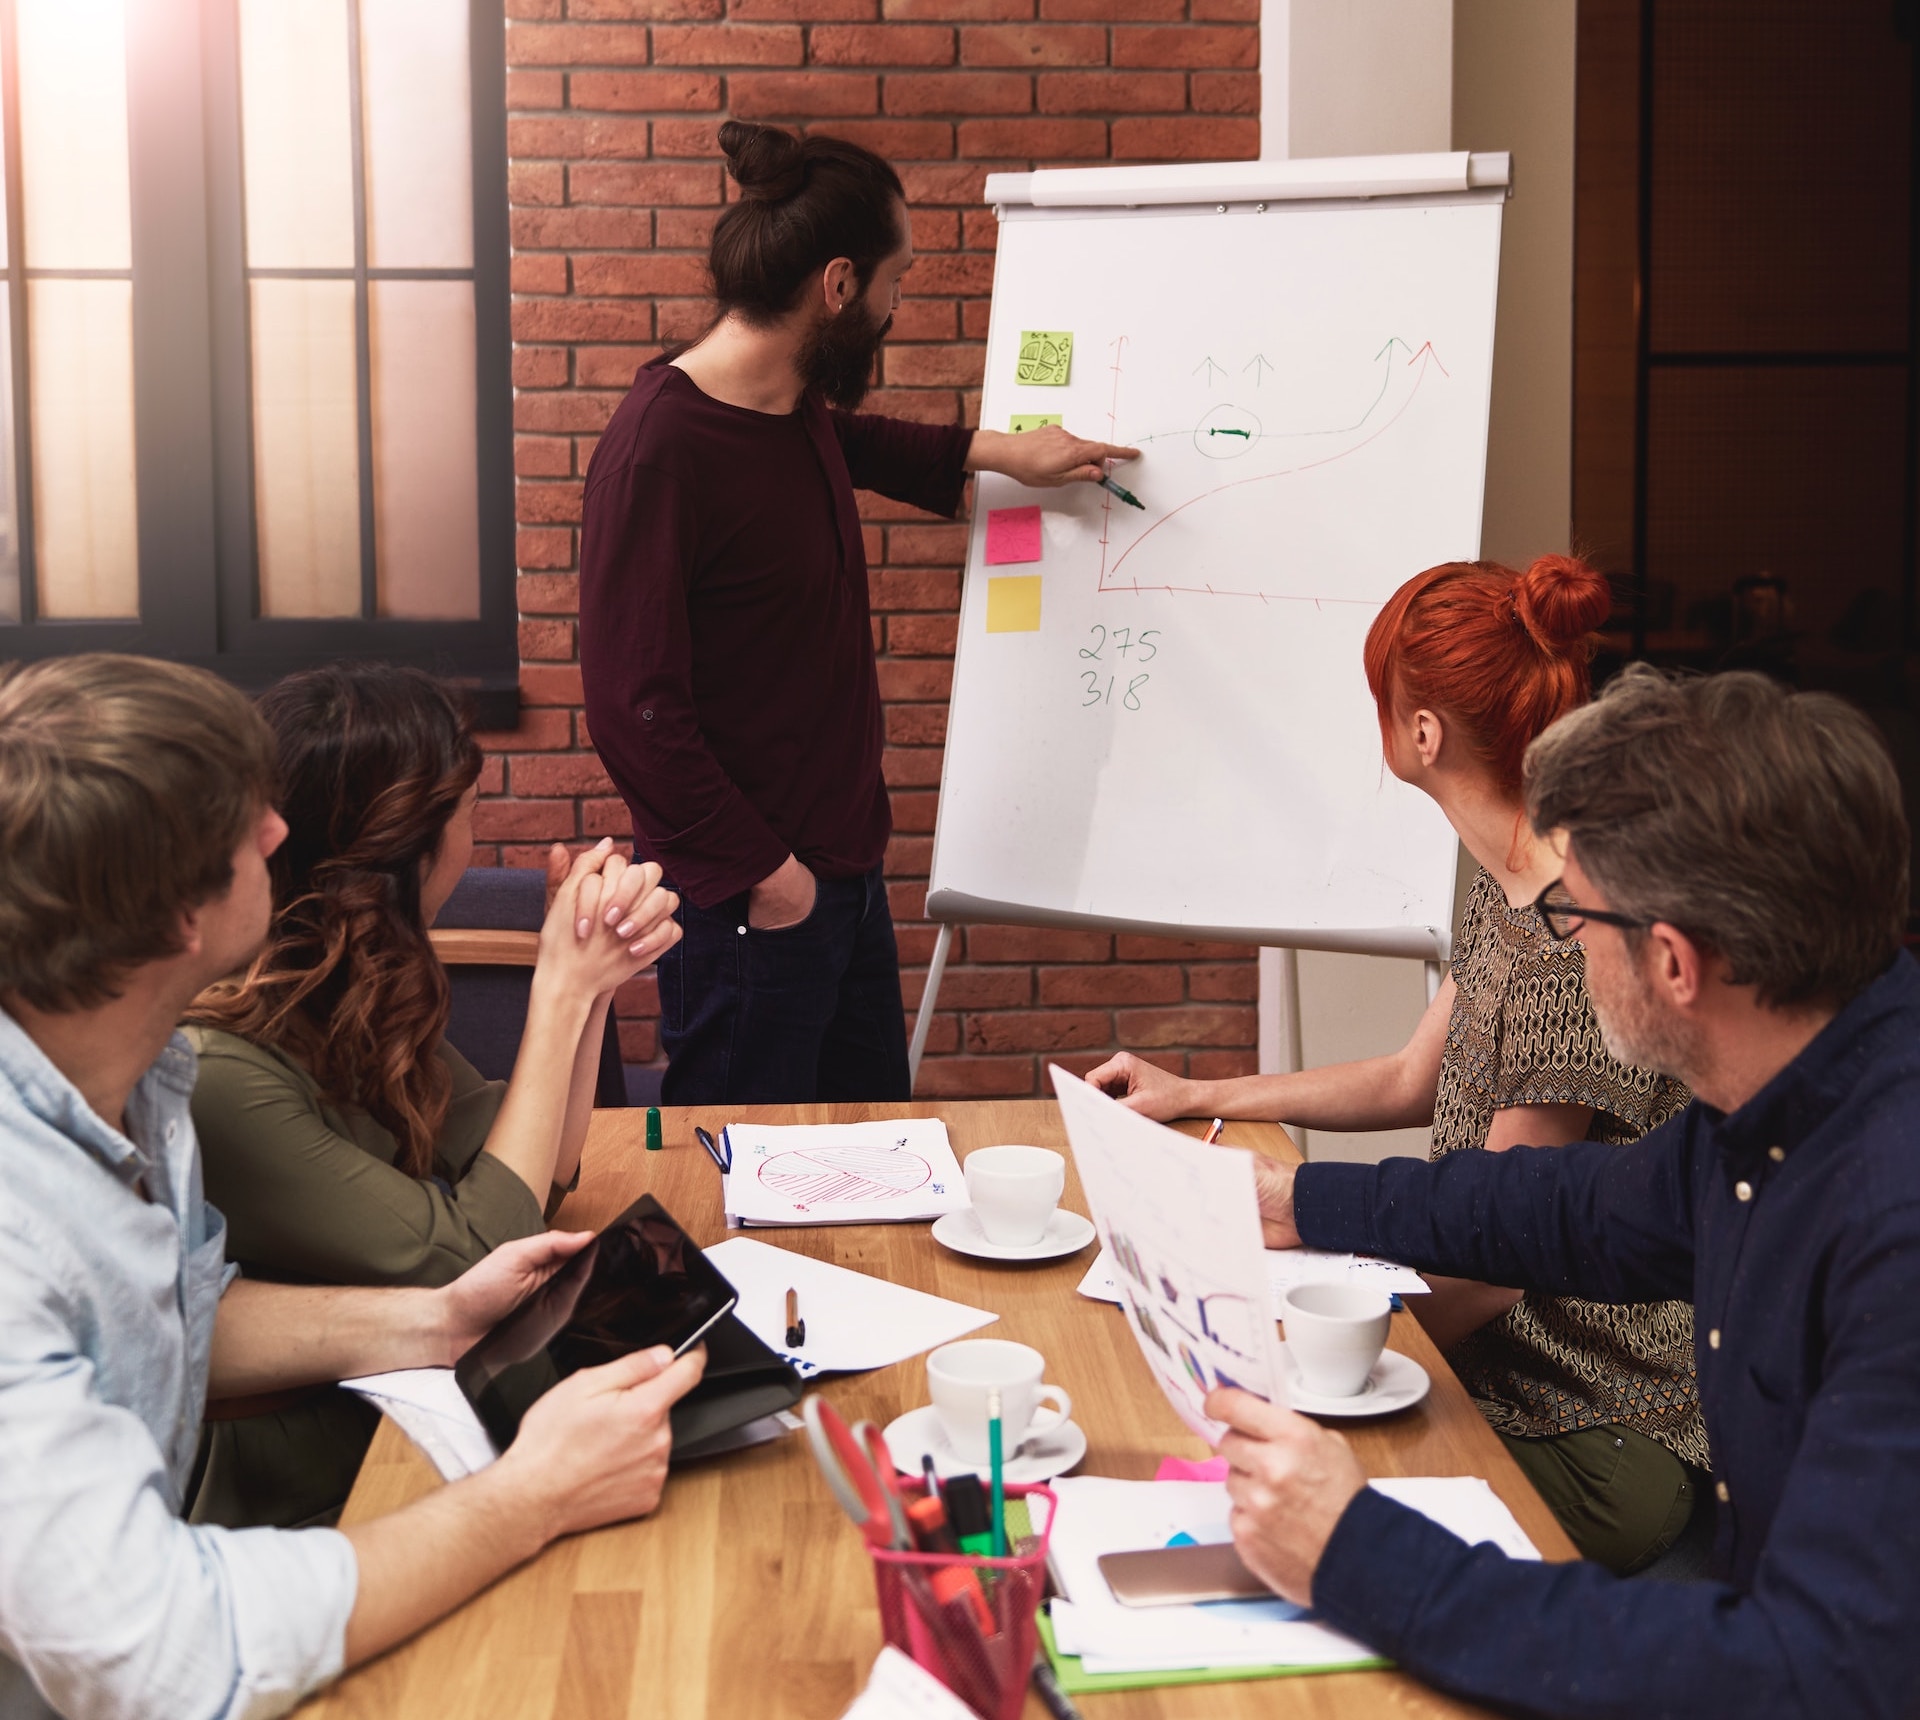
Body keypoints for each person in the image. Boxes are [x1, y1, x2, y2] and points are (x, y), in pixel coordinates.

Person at [0, 653, 706, 1720]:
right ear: (175, 916)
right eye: (244, 826)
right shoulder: (19, 1218)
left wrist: (432, 1316)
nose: (281, 835)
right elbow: (172, 1651)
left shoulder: (136, 1086)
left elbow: (172, 1310)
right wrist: (534, 1493)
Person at [1211, 664, 1920, 1717]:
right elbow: (1560, 1207)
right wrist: (1295, 1199)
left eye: (1574, 915)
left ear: (1674, 961)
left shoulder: (1889, 1223)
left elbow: (1808, 1668)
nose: (1564, 944)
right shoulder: (1779, 1091)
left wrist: (1358, 1551)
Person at [1085, 556, 1705, 1573]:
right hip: (1493, 1359)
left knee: (1263, 1495)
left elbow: (1502, 1258)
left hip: (1584, 1420)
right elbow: (1411, 1075)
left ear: (1421, 734)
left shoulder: (1567, 940)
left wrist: (1304, 1366)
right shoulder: (1514, 879)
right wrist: (1198, 1090)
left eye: (1384, 699)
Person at [580, 119, 1138, 1106]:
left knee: (871, 1164)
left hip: (838, 879)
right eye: (894, 282)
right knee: (741, 1192)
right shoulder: (660, 450)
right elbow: (635, 710)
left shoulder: (789, 410)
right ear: (837, 286)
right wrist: (768, 876)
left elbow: (855, 442)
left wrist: (1007, 450)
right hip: (751, 904)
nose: (896, 305)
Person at [183, 664, 679, 1529]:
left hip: (412, 1396)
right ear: (411, 844)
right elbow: (476, 1254)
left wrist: (595, 978)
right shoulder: (223, 1067)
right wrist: (556, 993)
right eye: (469, 812)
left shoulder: (351, 980)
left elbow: (541, 1178)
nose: (475, 839)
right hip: (310, 1465)